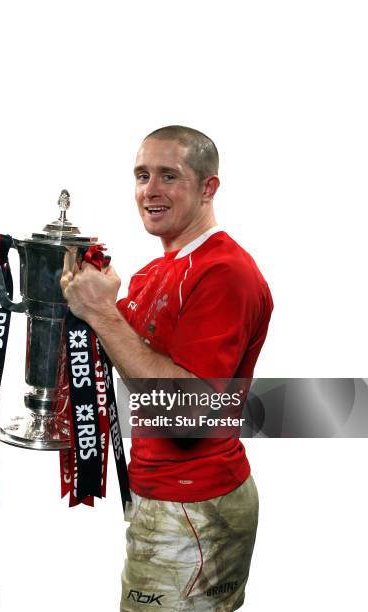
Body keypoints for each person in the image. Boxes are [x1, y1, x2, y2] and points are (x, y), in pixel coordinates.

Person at [61, 125, 273, 611]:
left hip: (195, 505)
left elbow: (186, 415)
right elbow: (126, 360)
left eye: (168, 176)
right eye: (141, 175)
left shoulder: (225, 274)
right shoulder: (157, 271)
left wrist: (102, 313)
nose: (150, 191)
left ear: (208, 187)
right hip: (161, 494)